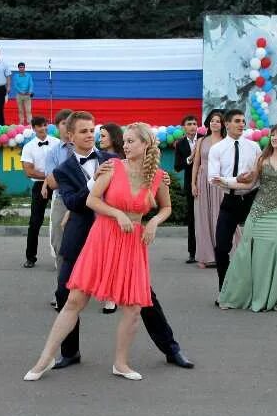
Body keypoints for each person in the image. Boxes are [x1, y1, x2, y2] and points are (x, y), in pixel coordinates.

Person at [25, 121, 175, 381]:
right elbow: (92, 200)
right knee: (74, 300)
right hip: (103, 238)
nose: (125, 146)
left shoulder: (158, 177)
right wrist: (117, 213)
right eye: (125, 141)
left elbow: (166, 208)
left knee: (133, 308)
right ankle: (44, 359)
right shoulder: (113, 167)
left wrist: (153, 221)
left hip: (132, 243)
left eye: (131, 141)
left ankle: (121, 363)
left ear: (146, 144)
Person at [218, 123, 277, 312]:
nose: (275, 138)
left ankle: (272, 296)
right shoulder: (262, 158)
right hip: (258, 212)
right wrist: (226, 183)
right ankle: (243, 294)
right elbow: (249, 184)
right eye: (273, 135)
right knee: (248, 253)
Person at [208, 109, 262, 295]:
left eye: (243, 121)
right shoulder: (218, 148)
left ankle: (255, 288)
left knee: (257, 246)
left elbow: (259, 175)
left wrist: (246, 181)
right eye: (237, 121)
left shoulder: (254, 147)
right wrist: (237, 181)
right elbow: (213, 178)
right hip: (230, 200)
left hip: (252, 200)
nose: (241, 124)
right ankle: (225, 287)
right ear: (227, 124)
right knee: (222, 247)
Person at [191, 110, 235, 268]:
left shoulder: (227, 141)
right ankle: (204, 256)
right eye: (212, 120)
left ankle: (227, 253)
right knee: (203, 218)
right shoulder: (202, 141)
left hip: (220, 182)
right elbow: (196, 163)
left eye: (218, 121)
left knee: (221, 217)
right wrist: (193, 184)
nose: (214, 123)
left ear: (223, 124)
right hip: (203, 181)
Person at [21, 116, 58, 268]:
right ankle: (30, 257)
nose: (43, 128)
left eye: (45, 125)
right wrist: (48, 175)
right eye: (39, 126)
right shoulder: (28, 147)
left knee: (60, 221)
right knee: (35, 222)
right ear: (33, 128)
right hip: (39, 185)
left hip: (57, 184)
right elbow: (29, 172)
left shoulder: (57, 143)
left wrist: (53, 176)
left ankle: (60, 257)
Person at [96, 122, 125, 314]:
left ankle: (111, 297)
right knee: (103, 255)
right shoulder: (99, 158)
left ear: (114, 137)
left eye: (103, 136)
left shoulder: (121, 160)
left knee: (113, 256)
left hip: (117, 212)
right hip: (99, 209)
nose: (100, 139)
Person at [43, 109, 74, 276]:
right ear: (57, 127)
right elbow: (53, 183)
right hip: (62, 201)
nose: (68, 126)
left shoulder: (87, 149)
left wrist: (63, 176)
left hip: (87, 201)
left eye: (71, 122)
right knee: (59, 244)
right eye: (64, 123)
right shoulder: (53, 153)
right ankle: (62, 290)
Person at [174, 115, 199, 264]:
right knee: (193, 219)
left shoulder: (204, 138)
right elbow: (177, 167)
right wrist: (190, 158)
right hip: (190, 185)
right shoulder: (180, 144)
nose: (192, 126)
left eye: (195, 124)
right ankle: (192, 252)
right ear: (184, 127)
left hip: (206, 183)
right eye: (189, 124)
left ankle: (210, 251)